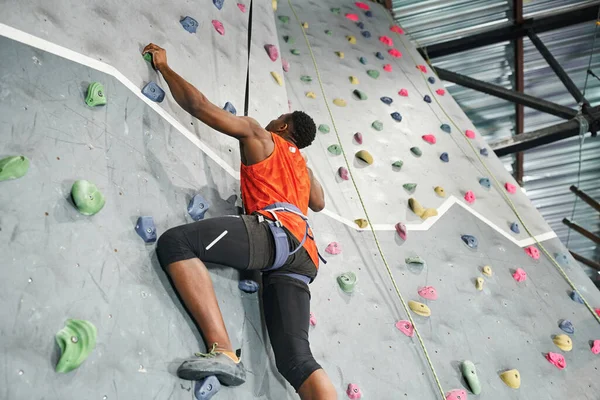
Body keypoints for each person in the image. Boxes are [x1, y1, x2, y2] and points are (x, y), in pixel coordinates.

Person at [145, 43, 337, 400]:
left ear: (282, 124)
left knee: (177, 243)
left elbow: (199, 107)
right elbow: (320, 203)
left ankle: (222, 351)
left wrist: (165, 68)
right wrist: (302, 165)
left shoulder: (262, 135)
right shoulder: (304, 170)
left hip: (272, 235)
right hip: (304, 257)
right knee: (297, 360)